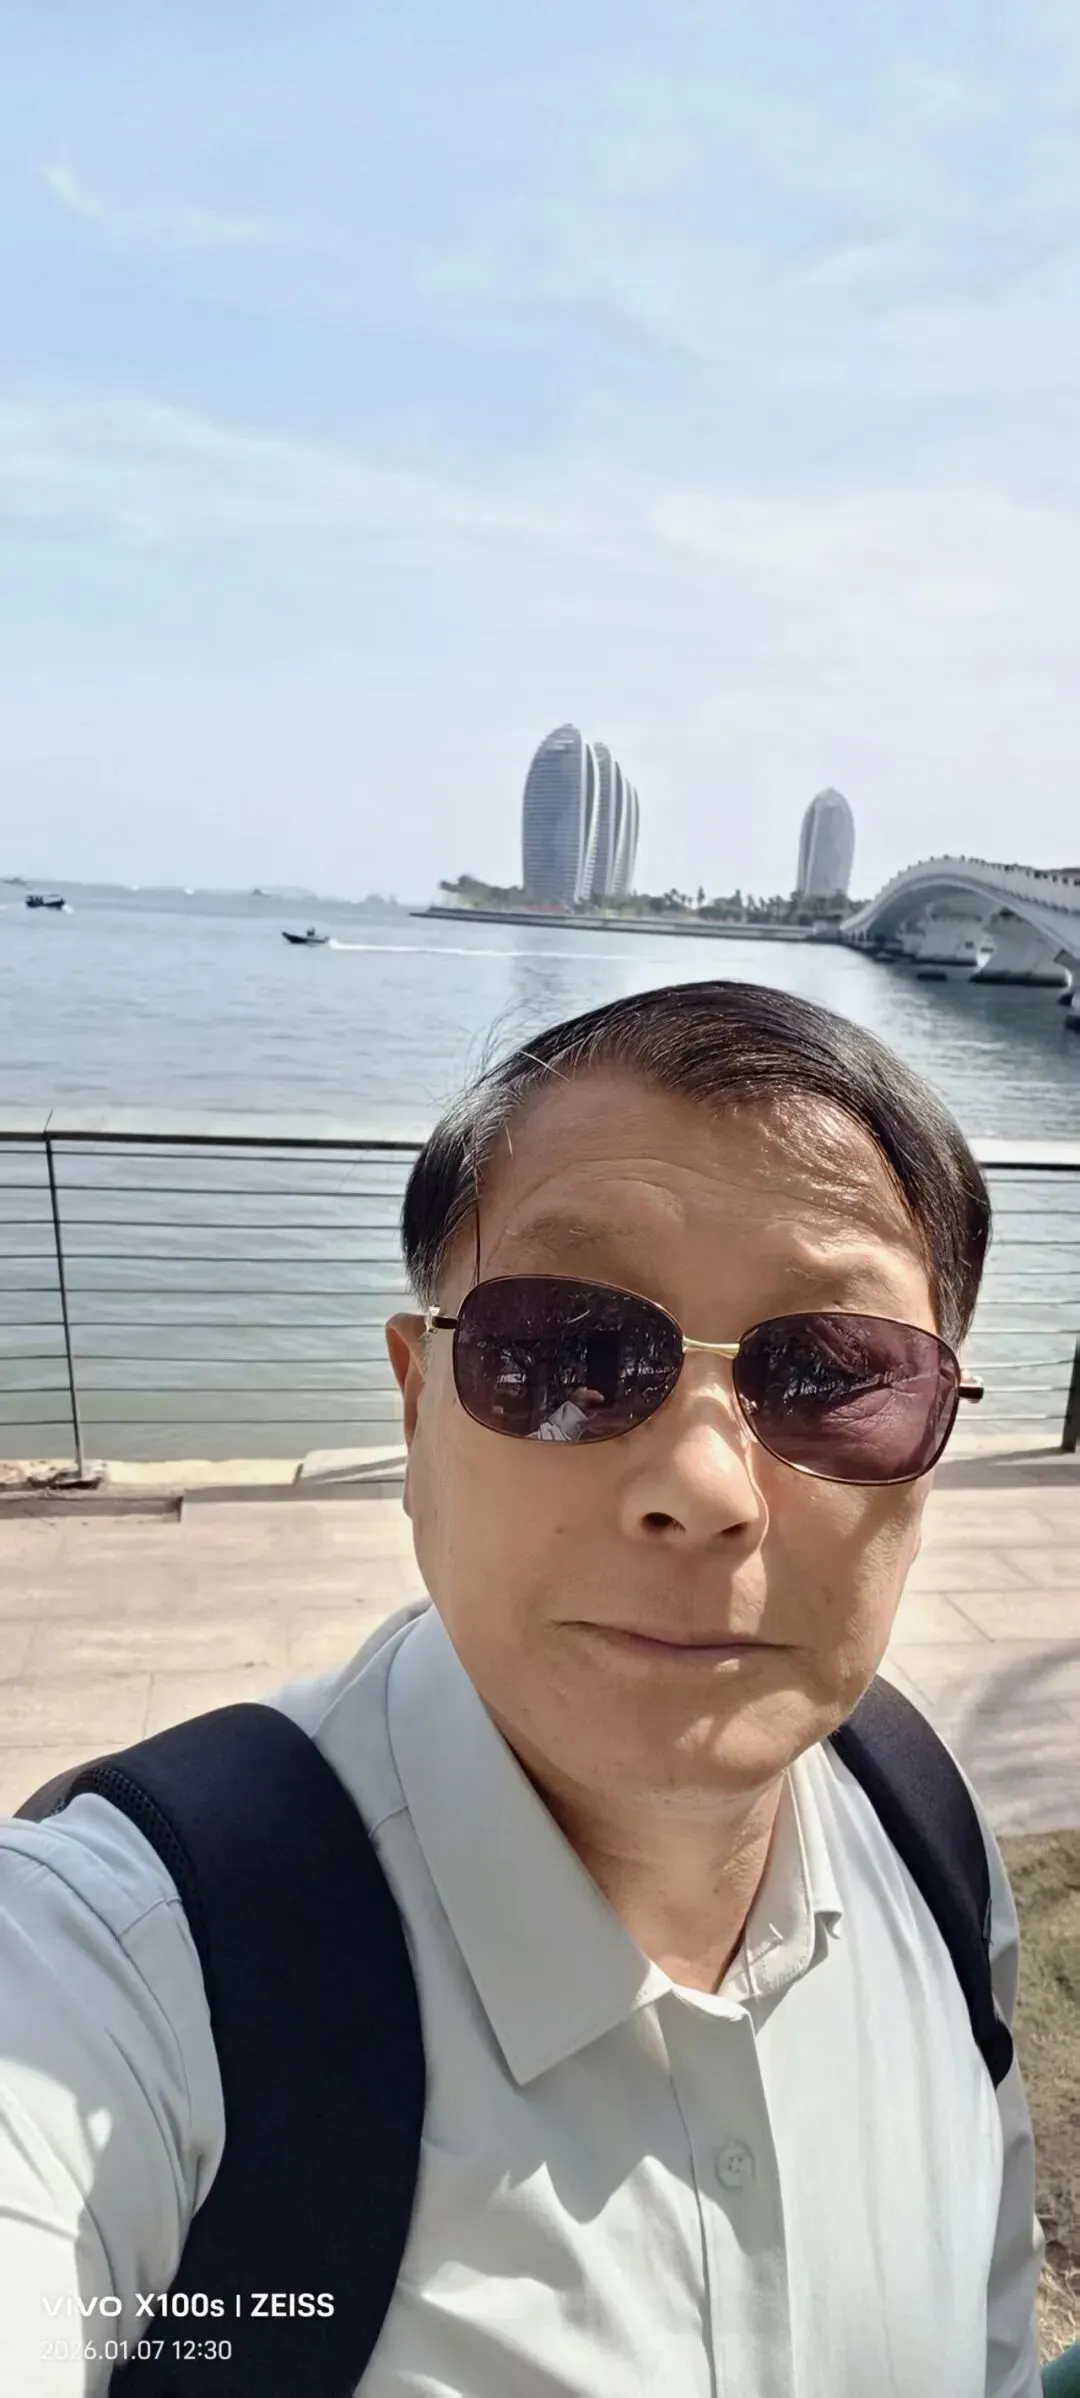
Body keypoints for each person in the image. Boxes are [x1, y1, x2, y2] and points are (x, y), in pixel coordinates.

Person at [0, 979, 1054, 2393]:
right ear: (416, 1404)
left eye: (830, 1376)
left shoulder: (930, 1841)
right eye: (569, 1353)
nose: (704, 1485)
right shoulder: (122, 1971)